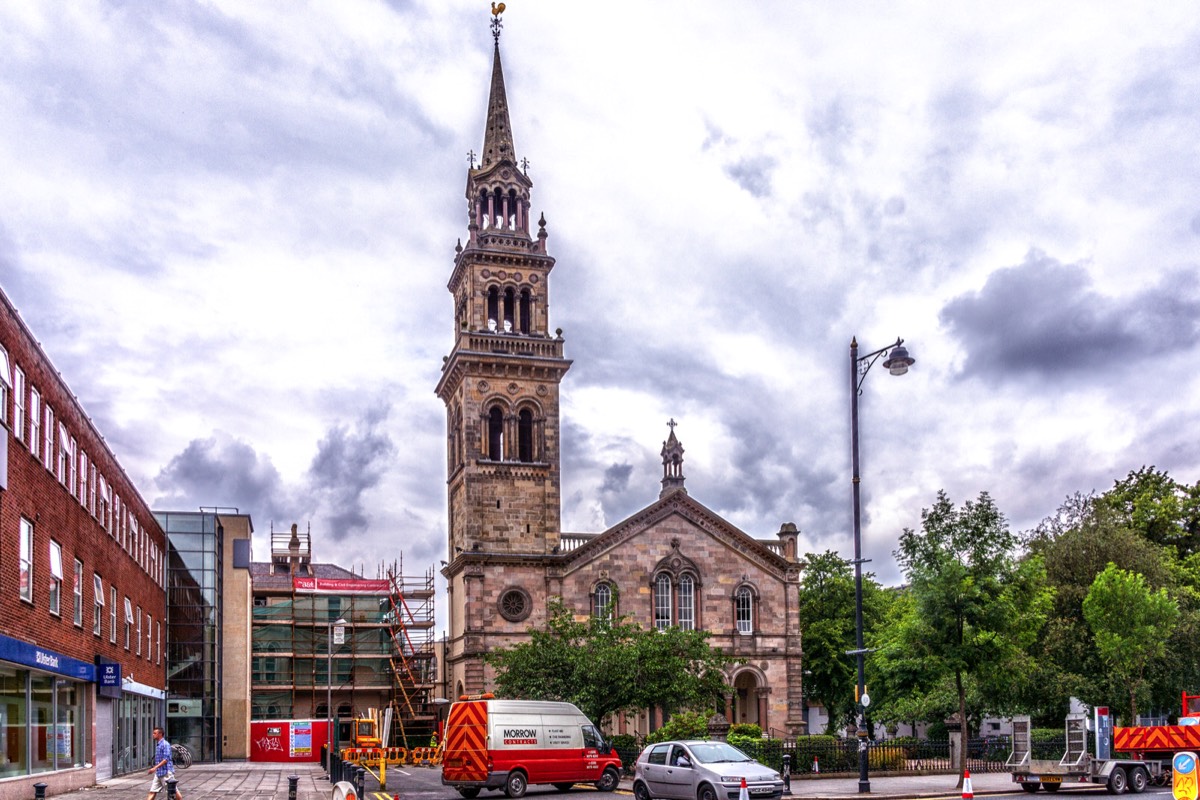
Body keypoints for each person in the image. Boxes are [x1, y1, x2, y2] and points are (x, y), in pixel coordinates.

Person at [146, 727, 184, 800]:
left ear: (160, 734)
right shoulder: (159, 745)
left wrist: (154, 768)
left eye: (155, 733)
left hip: (166, 773)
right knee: (152, 791)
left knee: (173, 791)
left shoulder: (165, 744)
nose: (153, 735)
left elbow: (166, 759)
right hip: (159, 773)